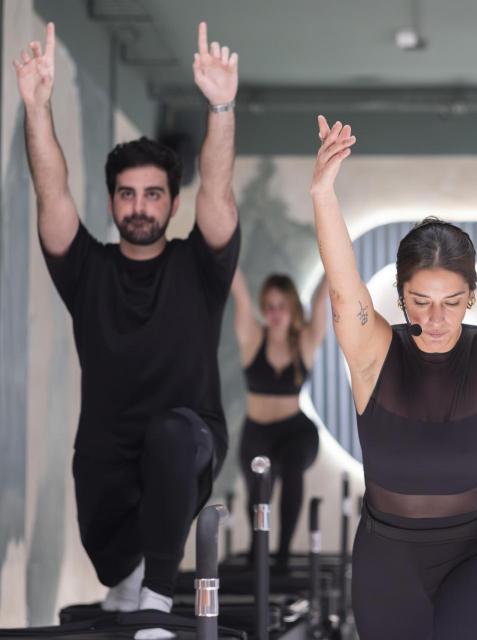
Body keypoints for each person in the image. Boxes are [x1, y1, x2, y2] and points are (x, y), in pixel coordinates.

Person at [310, 113, 477, 638]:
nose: (436, 319)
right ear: (400, 294)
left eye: (453, 302)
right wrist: (322, 193)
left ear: (472, 296)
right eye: (421, 301)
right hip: (388, 558)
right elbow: (344, 290)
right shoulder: (373, 354)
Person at [15, 21, 240, 638]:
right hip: (105, 456)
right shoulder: (87, 270)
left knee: (171, 434)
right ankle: (132, 585)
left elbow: (216, 188)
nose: (140, 206)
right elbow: (51, 189)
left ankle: (157, 607)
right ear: (113, 203)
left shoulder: (202, 266)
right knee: (113, 560)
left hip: (189, 440)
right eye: (127, 195)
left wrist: (220, 106)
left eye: (153, 194)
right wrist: (37, 106)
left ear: (171, 202)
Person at [230, 269, 327, 568]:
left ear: (293, 308)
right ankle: (258, 551)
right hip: (257, 432)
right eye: (270, 306)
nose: (275, 313)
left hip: (296, 432)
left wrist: (339, 250)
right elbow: (240, 290)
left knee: (293, 469)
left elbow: (322, 297)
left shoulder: (305, 341)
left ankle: (283, 553)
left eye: (282, 305)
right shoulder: (252, 336)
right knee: (259, 488)